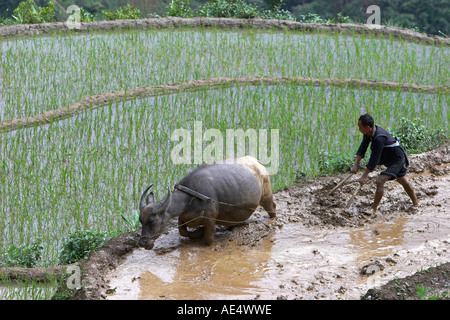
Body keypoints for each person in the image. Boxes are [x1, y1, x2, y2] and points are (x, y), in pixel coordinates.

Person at [351, 114, 418, 216]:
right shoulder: (368, 134)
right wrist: (355, 164)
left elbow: (374, 159)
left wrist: (364, 176)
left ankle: (373, 209)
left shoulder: (379, 138)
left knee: (380, 180)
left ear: (368, 128)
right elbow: (362, 148)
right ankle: (416, 203)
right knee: (402, 179)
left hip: (397, 159)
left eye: (360, 127)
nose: (359, 129)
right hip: (390, 158)